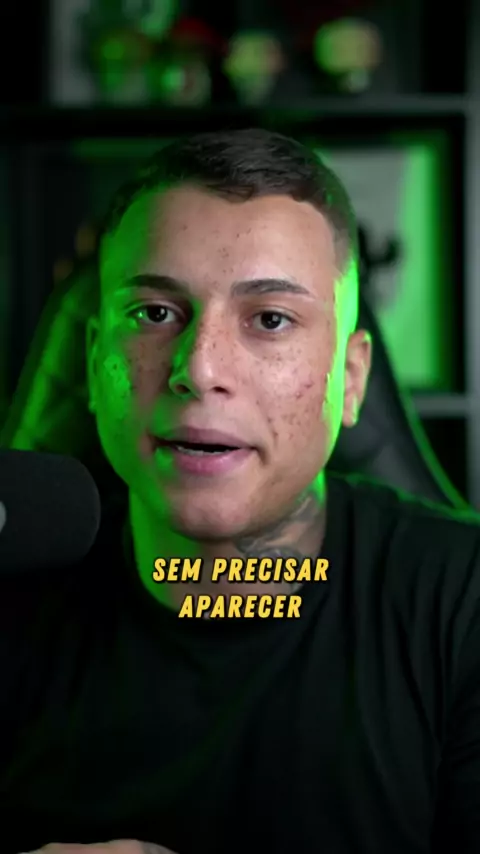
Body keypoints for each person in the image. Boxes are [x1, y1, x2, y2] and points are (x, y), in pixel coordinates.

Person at [2, 128, 480, 854]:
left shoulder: (463, 602)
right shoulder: (14, 592)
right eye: (154, 314)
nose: (199, 368)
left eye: (270, 319)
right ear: (95, 360)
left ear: (351, 381)